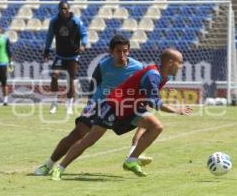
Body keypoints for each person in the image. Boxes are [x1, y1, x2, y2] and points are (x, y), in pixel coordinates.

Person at [50, 48, 192, 180]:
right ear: (170, 62)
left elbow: (147, 98)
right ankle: (60, 168)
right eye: (180, 62)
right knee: (89, 141)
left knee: (156, 126)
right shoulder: (153, 75)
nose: (181, 66)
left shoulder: (162, 76)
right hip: (114, 106)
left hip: (131, 109)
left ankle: (131, 160)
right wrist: (176, 110)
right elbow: (154, 102)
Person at [34, 35, 152, 176]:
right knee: (78, 134)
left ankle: (132, 157)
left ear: (129, 51)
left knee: (149, 121)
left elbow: (145, 86)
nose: (122, 55)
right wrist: (90, 105)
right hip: (100, 104)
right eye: (118, 51)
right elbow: (93, 85)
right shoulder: (103, 65)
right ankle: (48, 165)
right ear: (111, 51)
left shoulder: (138, 67)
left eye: (125, 51)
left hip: (123, 106)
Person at [43, 0, 88, 114]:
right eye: (61, 8)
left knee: (70, 79)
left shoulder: (76, 21)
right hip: (60, 55)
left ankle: (69, 105)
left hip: (73, 55)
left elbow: (84, 34)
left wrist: (83, 45)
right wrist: (47, 50)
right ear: (59, 10)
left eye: (65, 8)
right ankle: (54, 103)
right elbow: (49, 36)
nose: (63, 10)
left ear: (69, 9)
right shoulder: (54, 21)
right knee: (54, 75)